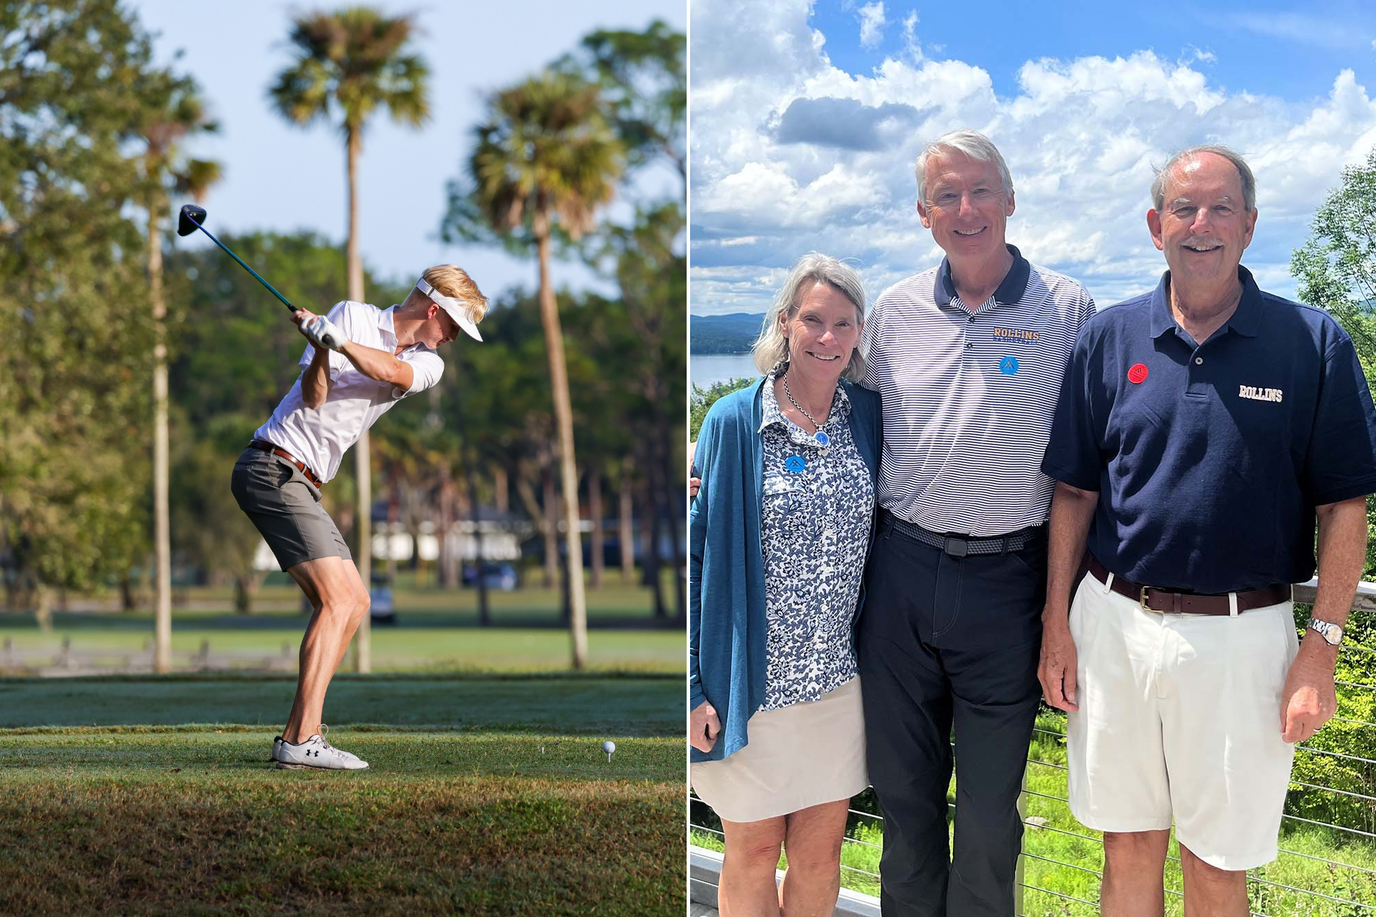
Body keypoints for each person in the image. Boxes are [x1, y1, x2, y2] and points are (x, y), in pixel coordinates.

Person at [1038, 145, 1376, 916]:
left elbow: (1345, 509)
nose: (1202, 224)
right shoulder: (1109, 337)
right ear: (1155, 225)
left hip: (1242, 638)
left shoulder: (1312, 342)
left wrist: (1321, 648)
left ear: (1250, 226)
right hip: (1112, 624)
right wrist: (1057, 622)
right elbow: (1074, 493)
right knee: (1126, 846)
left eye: (1222, 208)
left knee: (1216, 864)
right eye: (1184, 208)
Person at [857, 129, 1094, 917]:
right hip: (900, 574)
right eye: (947, 195)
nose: (966, 209)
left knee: (990, 819)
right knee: (905, 803)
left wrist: (1062, 609)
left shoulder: (1068, 309)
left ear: (1010, 199)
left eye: (981, 190)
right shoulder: (892, 312)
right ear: (924, 213)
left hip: (1008, 582)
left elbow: (1091, 462)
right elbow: (839, 417)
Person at [231, 266, 487, 769]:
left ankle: (298, 738)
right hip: (272, 467)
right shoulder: (352, 316)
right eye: (454, 327)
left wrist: (340, 343)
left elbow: (390, 372)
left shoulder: (426, 363)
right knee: (340, 599)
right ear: (434, 309)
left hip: (300, 481)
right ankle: (301, 740)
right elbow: (314, 397)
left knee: (353, 603)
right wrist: (321, 347)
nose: (453, 338)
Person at [689, 254, 881, 917]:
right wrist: (693, 685)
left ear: (858, 333)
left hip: (837, 685)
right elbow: (696, 561)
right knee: (751, 852)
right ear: (785, 324)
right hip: (751, 688)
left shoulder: (867, 417)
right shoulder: (732, 422)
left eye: (843, 323)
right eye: (813, 320)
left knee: (820, 856)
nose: (828, 337)